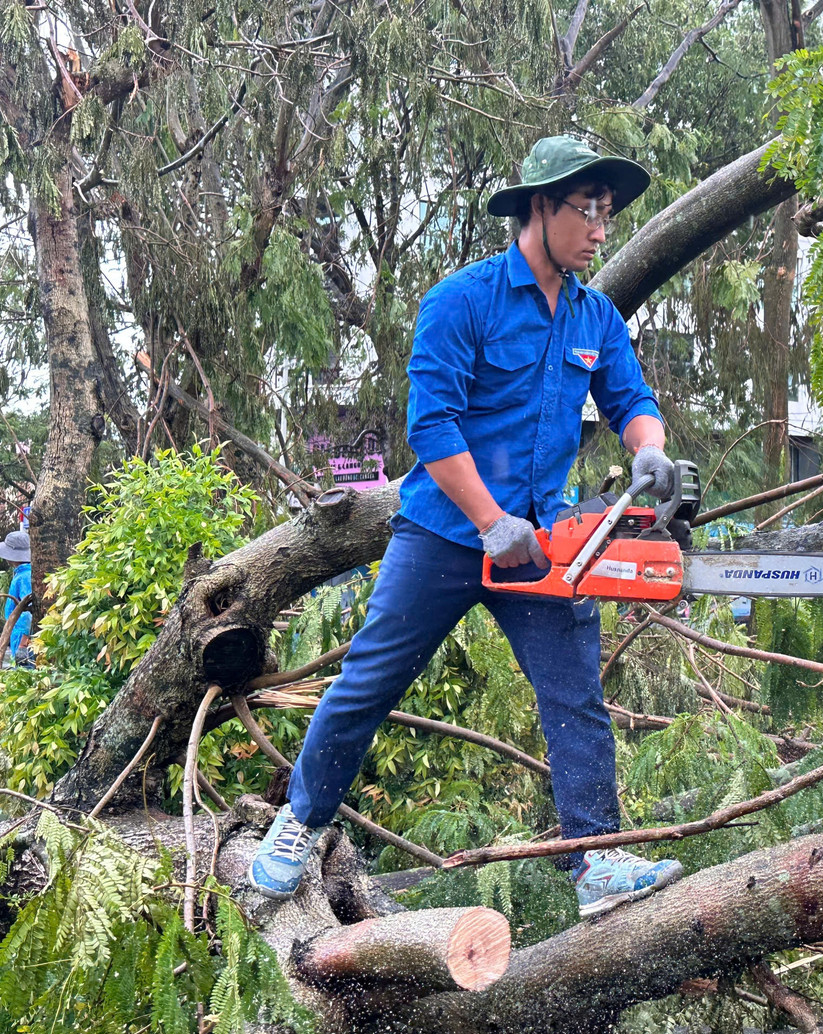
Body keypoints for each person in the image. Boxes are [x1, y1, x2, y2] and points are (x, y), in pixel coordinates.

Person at [249, 136, 684, 917]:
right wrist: (489, 520)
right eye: (586, 210)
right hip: (445, 533)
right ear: (540, 207)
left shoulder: (596, 315)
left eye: (608, 214)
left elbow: (630, 400)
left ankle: (596, 864)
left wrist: (650, 449)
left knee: (576, 694)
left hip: (544, 539)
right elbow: (433, 426)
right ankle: (299, 821)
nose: (599, 229)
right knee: (369, 682)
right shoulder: (462, 300)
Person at [0, 530, 32, 668]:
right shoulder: (22, 574)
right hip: (17, 633)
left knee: (25, 675)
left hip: (23, 637)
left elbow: (28, 612)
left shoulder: (25, 576)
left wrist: (23, 644)